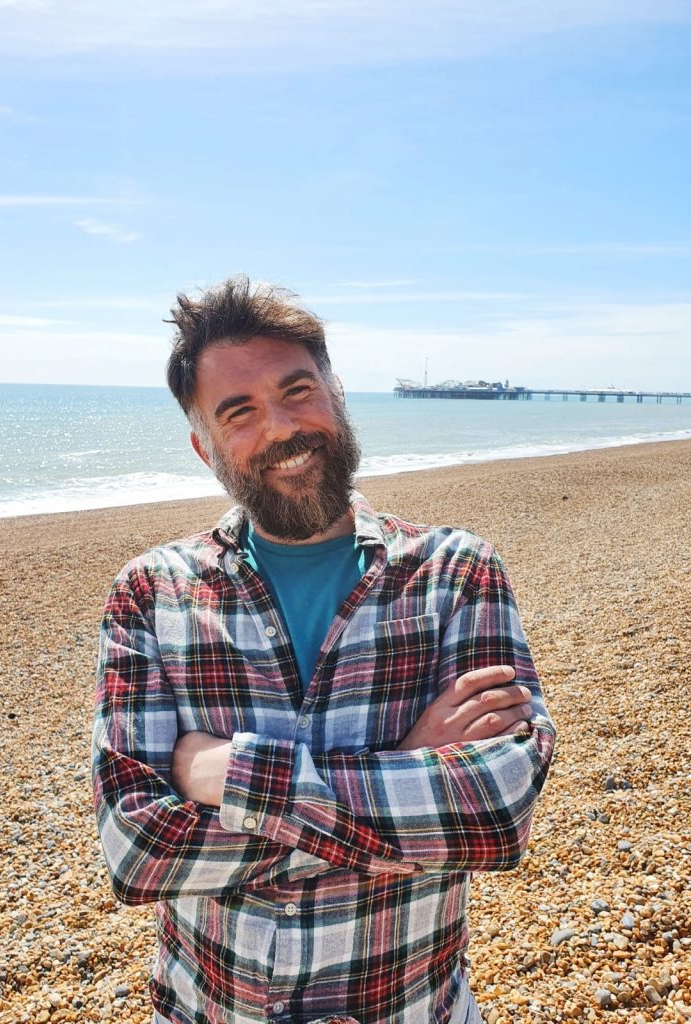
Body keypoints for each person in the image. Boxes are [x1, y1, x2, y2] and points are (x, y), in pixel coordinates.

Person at [91, 276, 556, 1024]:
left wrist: (226, 774)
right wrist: (407, 767)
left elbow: (498, 809)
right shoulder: (152, 592)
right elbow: (137, 850)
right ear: (204, 447)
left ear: (336, 393)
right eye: (238, 412)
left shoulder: (454, 572)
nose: (280, 427)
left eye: (297, 390)